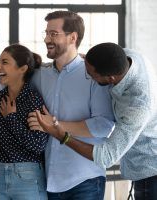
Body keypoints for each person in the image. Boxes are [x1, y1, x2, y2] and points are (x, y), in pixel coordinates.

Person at [36, 42, 157, 200]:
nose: (88, 78)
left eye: (91, 75)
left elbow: (106, 156)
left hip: (150, 171)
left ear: (111, 78)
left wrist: (61, 135)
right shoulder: (130, 57)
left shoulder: (138, 106)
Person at [27, 11, 115, 199]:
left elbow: (104, 125)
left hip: (86, 179)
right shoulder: (40, 75)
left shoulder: (93, 76)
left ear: (72, 37)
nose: (47, 39)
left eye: (54, 34)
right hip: (49, 180)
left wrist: (54, 125)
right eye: (46, 33)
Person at [0, 44, 48, 200]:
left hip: (28, 177)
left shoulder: (33, 100)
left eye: (5, 62)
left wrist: (11, 118)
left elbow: (37, 145)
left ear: (22, 69)